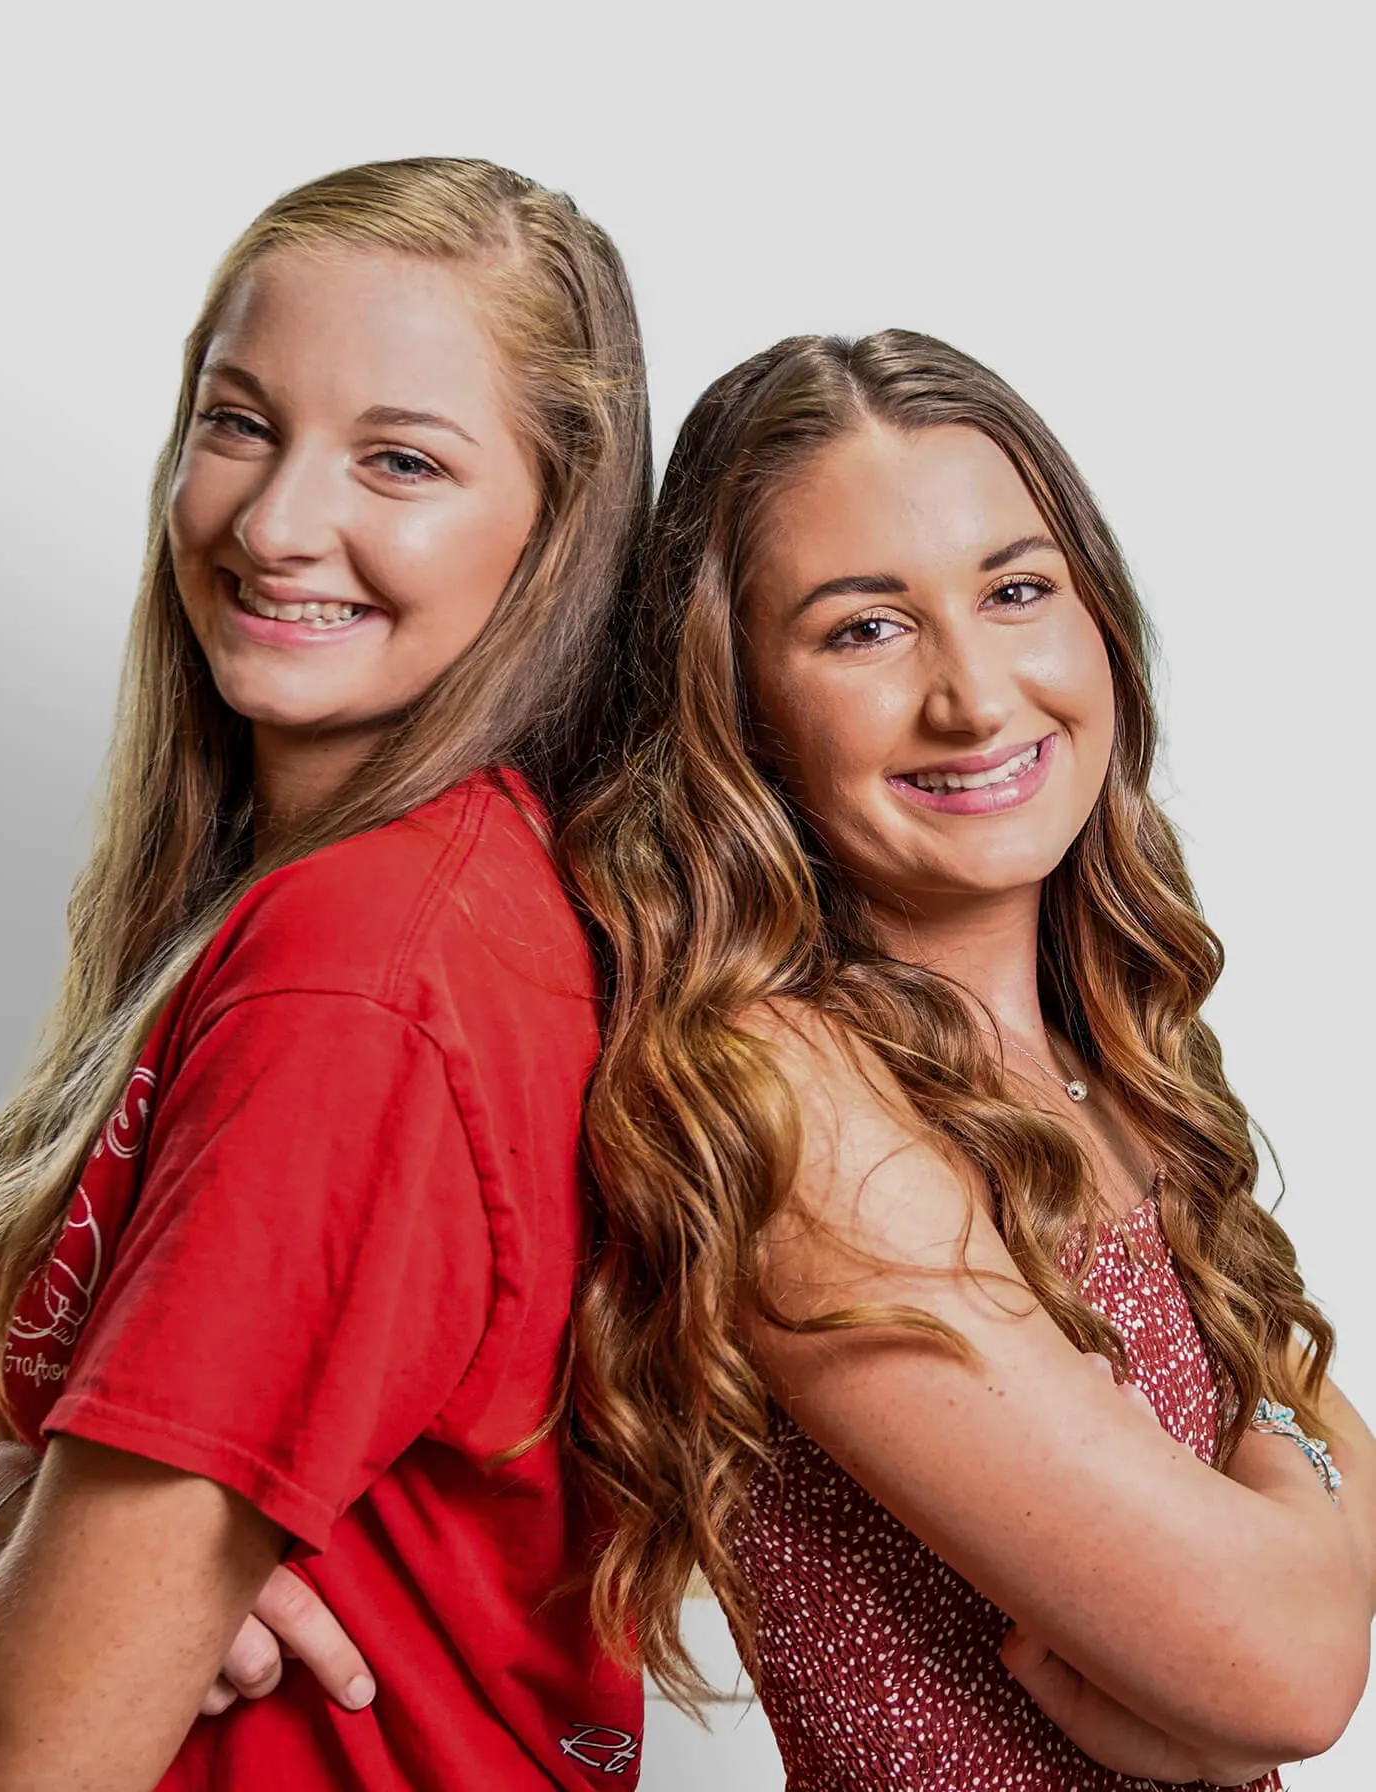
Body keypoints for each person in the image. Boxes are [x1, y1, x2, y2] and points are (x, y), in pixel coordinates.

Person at [0, 156, 651, 1792]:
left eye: (401, 459)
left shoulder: (358, 978)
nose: (276, 524)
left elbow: (34, 1743)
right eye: (238, 424)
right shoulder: (351, 908)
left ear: (557, 527)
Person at [562, 329, 1376, 1789]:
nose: (977, 697)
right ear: (735, 703)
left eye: (1015, 591)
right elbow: (1291, 1668)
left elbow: (1311, 1506)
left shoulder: (1095, 1040)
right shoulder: (785, 1091)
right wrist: (1301, 1511)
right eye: (865, 629)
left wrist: (1287, 1497)